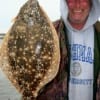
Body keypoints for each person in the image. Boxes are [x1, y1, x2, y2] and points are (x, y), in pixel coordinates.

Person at [37, 0, 100, 100]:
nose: (77, 4)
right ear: (65, 3)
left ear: (92, 3)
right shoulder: (47, 32)